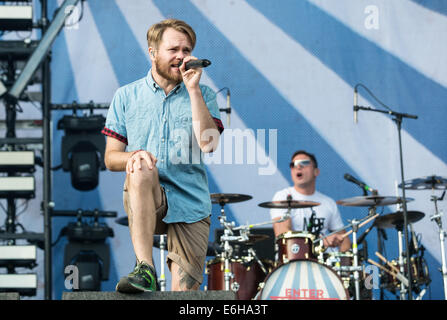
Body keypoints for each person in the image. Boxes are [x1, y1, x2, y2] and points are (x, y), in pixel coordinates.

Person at [102, 19, 223, 292]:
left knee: (184, 293)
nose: (181, 56)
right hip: (145, 191)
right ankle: (145, 269)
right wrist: (135, 155)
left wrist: (193, 90)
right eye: (174, 49)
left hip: (191, 202)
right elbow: (111, 158)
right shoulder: (126, 96)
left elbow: (209, 144)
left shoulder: (204, 94)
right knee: (141, 166)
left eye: (187, 49)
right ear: (153, 53)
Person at [270, 150, 351, 253]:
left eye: (304, 163)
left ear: (316, 171)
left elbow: (345, 240)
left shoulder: (328, 203)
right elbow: (284, 238)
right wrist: (321, 243)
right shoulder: (282, 197)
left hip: (323, 265)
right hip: (292, 263)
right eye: (293, 165)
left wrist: (341, 263)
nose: (298, 167)